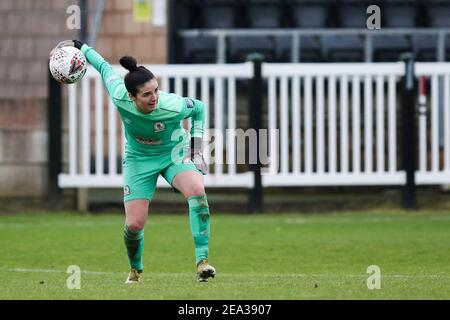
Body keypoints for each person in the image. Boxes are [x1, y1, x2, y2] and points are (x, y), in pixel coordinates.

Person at [50, 40, 215, 283]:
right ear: (131, 97)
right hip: (139, 159)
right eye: (147, 94)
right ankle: (136, 270)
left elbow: (199, 109)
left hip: (173, 153)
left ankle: (202, 262)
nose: (154, 98)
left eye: (156, 90)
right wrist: (79, 46)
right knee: (135, 224)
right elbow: (104, 67)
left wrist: (197, 149)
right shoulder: (119, 95)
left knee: (197, 191)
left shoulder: (171, 105)